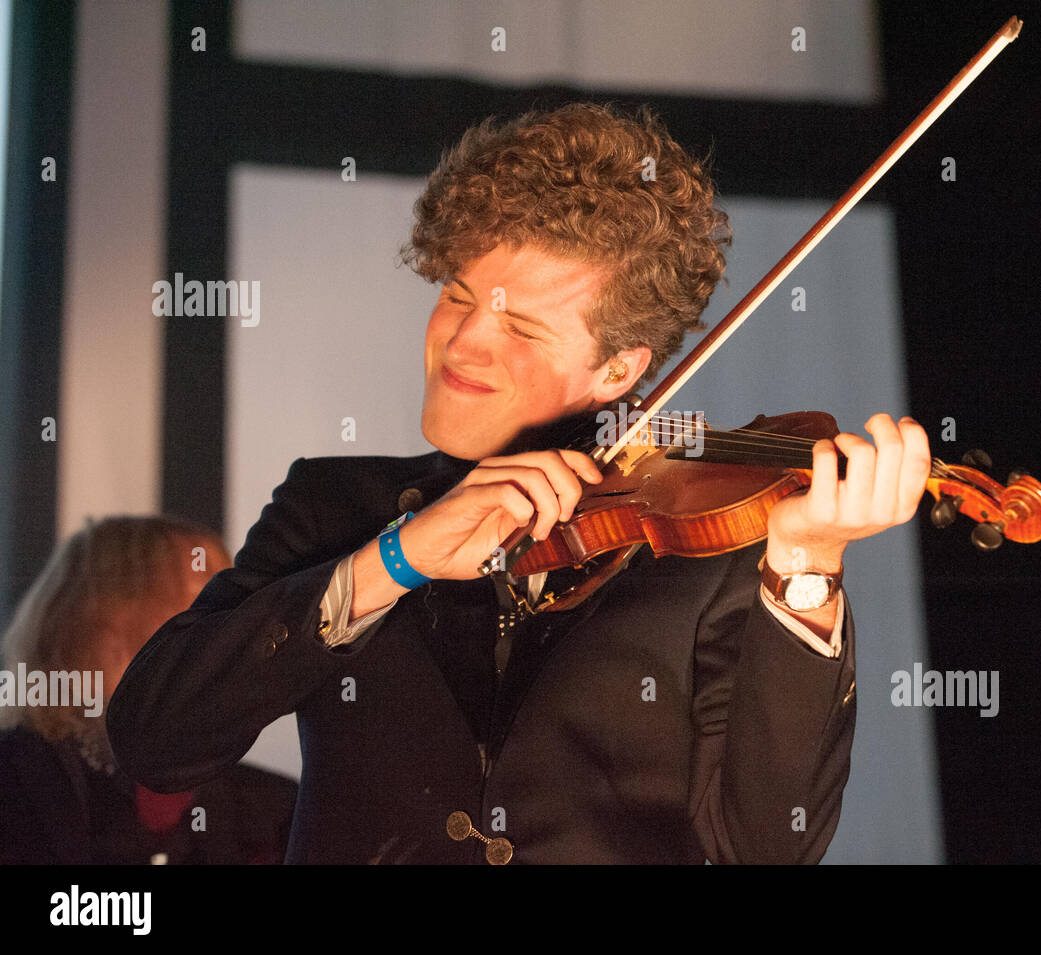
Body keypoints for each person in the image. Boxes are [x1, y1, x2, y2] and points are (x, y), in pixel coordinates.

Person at [107, 103, 930, 864]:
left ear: (617, 368)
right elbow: (156, 735)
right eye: (456, 296)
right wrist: (391, 562)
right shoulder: (334, 507)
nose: (462, 344)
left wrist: (809, 566)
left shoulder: (709, 553)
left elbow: (767, 846)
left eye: (521, 326)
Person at [0, 516, 297, 864]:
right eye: (202, 607)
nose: (229, 636)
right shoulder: (17, 786)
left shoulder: (271, 811)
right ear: (99, 625)